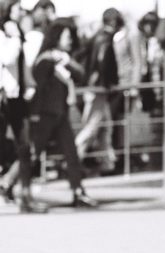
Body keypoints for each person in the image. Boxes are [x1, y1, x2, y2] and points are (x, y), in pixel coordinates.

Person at [30, 18, 97, 207]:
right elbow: (38, 89)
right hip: (45, 115)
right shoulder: (45, 60)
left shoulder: (63, 59)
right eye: (66, 36)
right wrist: (34, 115)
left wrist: (68, 62)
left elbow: (80, 74)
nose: (69, 40)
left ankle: (78, 191)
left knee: (71, 153)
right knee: (34, 152)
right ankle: (9, 182)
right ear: (57, 37)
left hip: (60, 114)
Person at [0, 0, 47, 212]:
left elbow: (21, 64)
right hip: (4, 98)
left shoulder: (17, 33)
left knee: (26, 146)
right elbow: (7, 59)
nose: (21, 11)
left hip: (17, 97)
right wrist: (16, 37)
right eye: (17, 8)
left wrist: (30, 85)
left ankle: (25, 195)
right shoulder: (4, 35)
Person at [75, 7, 120, 174]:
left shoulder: (95, 37)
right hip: (99, 88)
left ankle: (108, 161)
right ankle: (73, 158)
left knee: (105, 125)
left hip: (94, 87)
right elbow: (103, 61)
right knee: (92, 127)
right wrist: (108, 81)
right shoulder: (106, 39)